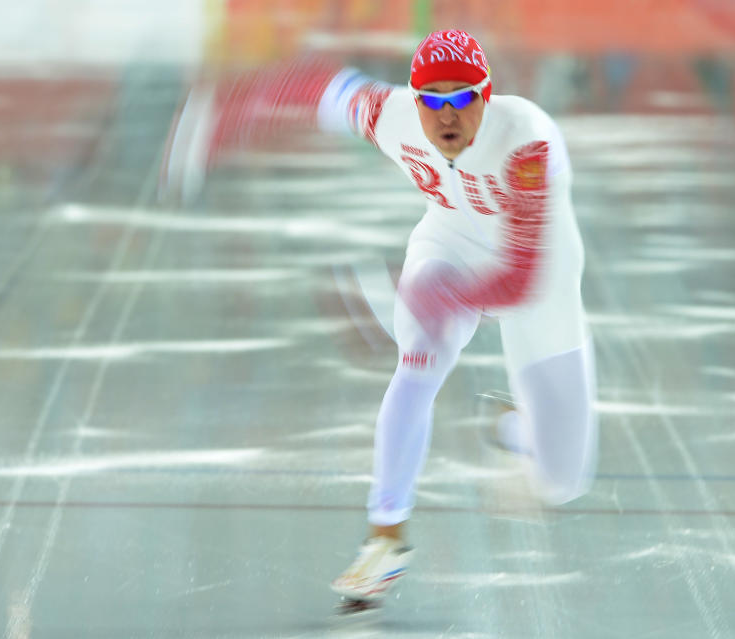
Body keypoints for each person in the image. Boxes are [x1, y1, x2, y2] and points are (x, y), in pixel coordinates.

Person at [161, 29, 598, 606]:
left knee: (562, 482)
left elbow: (518, 280)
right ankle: (385, 537)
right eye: (432, 100)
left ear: (487, 97)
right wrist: (228, 110)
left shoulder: (526, 143)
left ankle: (515, 426)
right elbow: (311, 86)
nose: (447, 115)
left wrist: (436, 300)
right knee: (418, 366)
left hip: (538, 276)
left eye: (463, 98)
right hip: (450, 243)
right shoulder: (386, 114)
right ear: (412, 100)